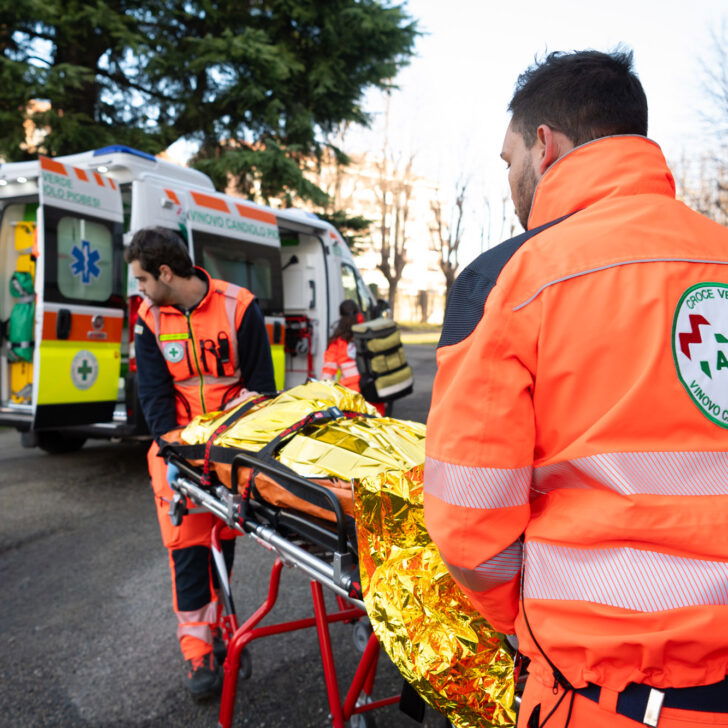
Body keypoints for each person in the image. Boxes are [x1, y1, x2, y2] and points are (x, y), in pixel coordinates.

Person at [424, 49, 728, 728]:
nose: (510, 182)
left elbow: (469, 520)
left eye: (508, 163)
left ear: (544, 145)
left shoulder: (514, 277)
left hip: (605, 690)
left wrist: (520, 620)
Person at [125, 227, 275, 699]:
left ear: (166, 272)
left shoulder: (240, 306)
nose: (140, 290)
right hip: (177, 456)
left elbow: (262, 390)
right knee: (189, 554)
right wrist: (177, 455)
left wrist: (238, 453)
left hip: (229, 454)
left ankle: (226, 630)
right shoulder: (149, 319)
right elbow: (154, 395)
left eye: (143, 279)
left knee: (220, 546)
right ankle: (197, 651)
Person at [321, 299, 386, 415]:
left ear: (341, 316)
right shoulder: (367, 334)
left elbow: (328, 374)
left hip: (351, 395)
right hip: (373, 390)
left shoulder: (337, 342)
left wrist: (321, 396)